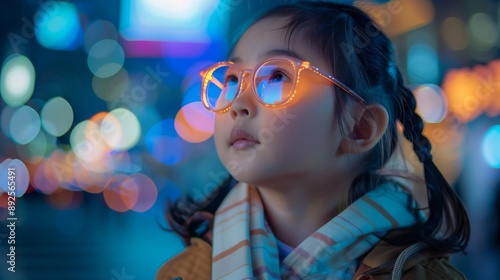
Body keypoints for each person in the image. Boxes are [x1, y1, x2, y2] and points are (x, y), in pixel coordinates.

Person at [156, 2, 470, 279]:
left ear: (360, 128)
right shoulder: (183, 273)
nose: (238, 102)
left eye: (276, 77)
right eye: (232, 79)